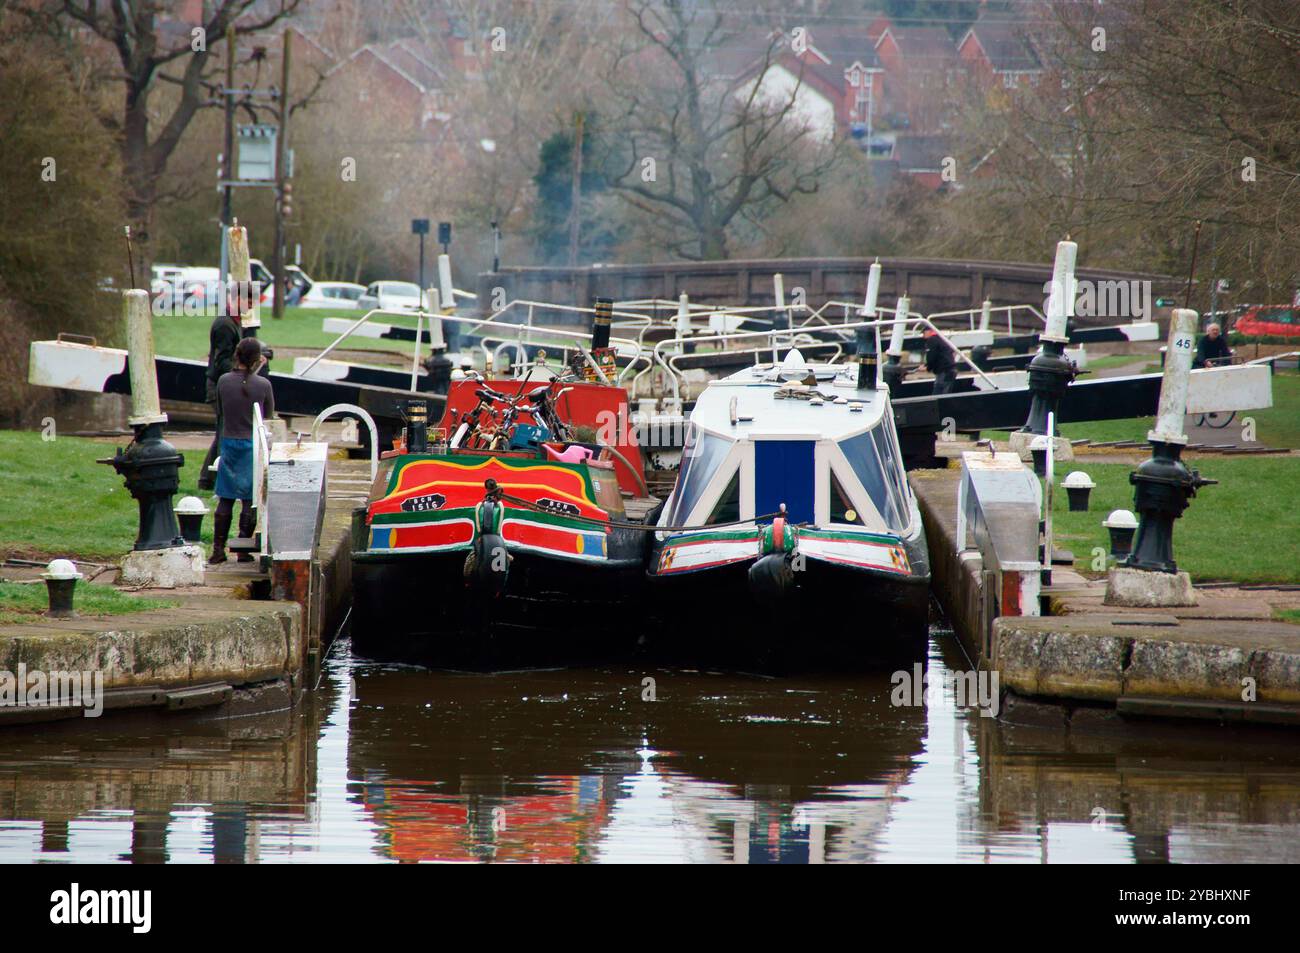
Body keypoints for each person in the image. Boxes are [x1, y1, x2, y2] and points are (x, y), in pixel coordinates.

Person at [210, 337, 275, 564]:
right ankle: (243, 548)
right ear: (258, 359)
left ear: (236, 355)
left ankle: (217, 550)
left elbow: (220, 410)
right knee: (249, 498)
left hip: (229, 441)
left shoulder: (223, 381)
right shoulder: (263, 385)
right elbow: (267, 416)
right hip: (252, 445)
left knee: (225, 496)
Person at [198, 290, 243, 491]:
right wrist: (242, 371)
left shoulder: (234, 322)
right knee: (224, 432)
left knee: (222, 433)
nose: (250, 305)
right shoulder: (225, 325)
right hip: (220, 386)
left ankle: (207, 480)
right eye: (246, 300)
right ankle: (210, 480)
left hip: (223, 384)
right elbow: (221, 360)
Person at [924, 329, 957, 395]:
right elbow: (952, 352)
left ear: (929, 331)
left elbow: (931, 356)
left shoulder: (932, 340)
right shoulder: (942, 339)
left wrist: (928, 368)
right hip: (951, 370)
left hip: (943, 371)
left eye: (924, 333)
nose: (923, 336)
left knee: (938, 394)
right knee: (946, 393)